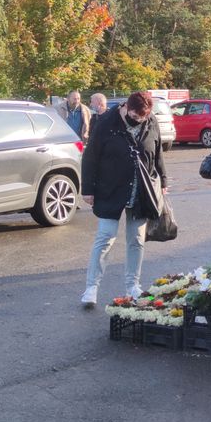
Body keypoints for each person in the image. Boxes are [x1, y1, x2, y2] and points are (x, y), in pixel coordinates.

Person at [79, 91, 166, 308]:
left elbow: (157, 151)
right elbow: (90, 157)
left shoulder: (150, 120)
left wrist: (163, 180)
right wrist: (87, 189)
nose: (139, 120)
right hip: (110, 188)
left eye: (143, 118)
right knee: (105, 238)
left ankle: (132, 286)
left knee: (136, 239)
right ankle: (91, 288)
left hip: (141, 190)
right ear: (126, 107)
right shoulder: (106, 122)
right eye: (136, 116)